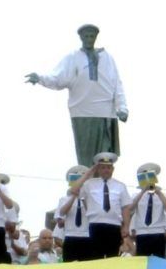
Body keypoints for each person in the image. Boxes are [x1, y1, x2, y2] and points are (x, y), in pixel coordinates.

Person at [26, 23, 129, 166]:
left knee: (106, 159)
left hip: (106, 114)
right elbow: (58, 78)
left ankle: (105, 187)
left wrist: (122, 108)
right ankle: (86, 187)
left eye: (92, 36)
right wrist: (40, 78)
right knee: (87, 161)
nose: (89, 39)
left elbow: (117, 84)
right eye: (86, 36)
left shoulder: (107, 58)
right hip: (82, 114)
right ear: (81, 37)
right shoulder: (73, 57)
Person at [125, 164, 166, 258]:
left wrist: (158, 192)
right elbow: (130, 208)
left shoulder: (162, 195)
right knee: (142, 260)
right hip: (142, 232)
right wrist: (143, 191)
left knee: (158, 260)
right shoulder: (136, 195)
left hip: (158, 232)